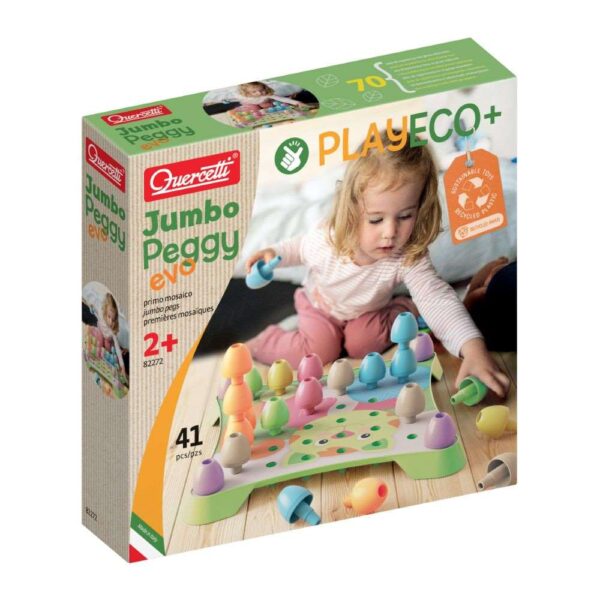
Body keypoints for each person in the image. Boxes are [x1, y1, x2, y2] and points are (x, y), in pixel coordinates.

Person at [246, 129, 510, 397]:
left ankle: (407, 309)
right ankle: (262, 342)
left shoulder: (407, 255)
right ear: (352, 208)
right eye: (376, 219)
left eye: (405, 216)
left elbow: (436, 297)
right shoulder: (329, 238)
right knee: (321, 350)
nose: (390, 232)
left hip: (368, 313)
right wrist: (273, 254)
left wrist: (473, 349)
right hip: (320, 306)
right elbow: (299, 248)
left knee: (362, 345)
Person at [232, 81, 305, 114]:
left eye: (261, 90)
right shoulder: (245, 96)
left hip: (263, 103)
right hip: (251, 104)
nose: (259, 93)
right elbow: (240, 100)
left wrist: (297, 102)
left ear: (264, 88)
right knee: (253, 109)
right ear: (248, 93)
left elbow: (282, 99)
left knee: (272, 104)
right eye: (254, 92)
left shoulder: (266, 94)